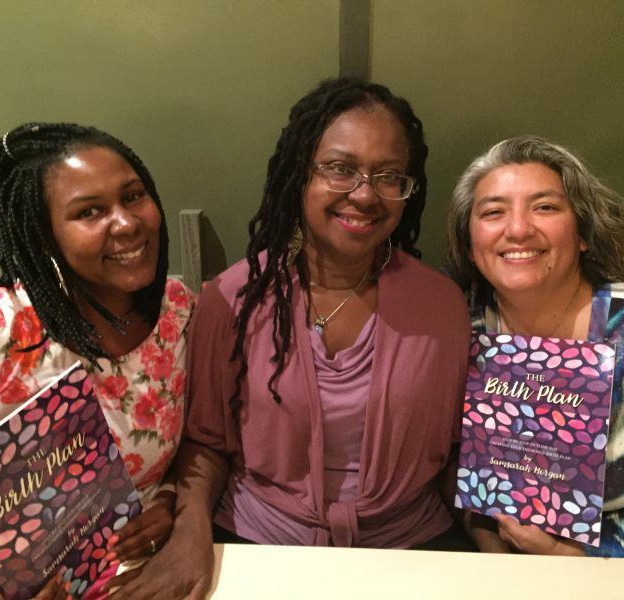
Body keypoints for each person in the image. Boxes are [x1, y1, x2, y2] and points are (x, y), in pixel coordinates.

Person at [119, 78, 472, 599]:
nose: (365, 194)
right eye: (340, 168)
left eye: (389, 176)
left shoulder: (441, 307)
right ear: (298, 174)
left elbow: (458, 454)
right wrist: (190, 532)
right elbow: (207, 441)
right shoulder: (233, 298)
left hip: (411, 552)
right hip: (258, 545)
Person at [0, 123, 194, 598]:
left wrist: (169, 501)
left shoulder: (177, 313)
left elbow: (193, 438)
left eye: (133, 196)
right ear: (45, 235)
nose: (126, 221)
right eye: (89, 211)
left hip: (132, 569)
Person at [445, 134, 624, 558]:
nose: (518, 229)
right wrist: (489, 541)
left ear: (581, 234)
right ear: (471, 245)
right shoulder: (460, 328)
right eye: (493, 212)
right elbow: (449, 460)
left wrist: (572, 558)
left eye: (545, 207)